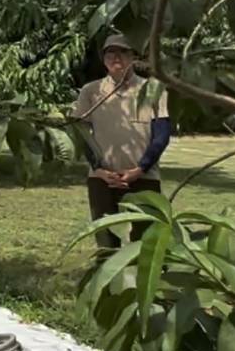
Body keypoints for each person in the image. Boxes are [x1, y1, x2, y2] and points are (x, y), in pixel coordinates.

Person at [71, 33, 172, 248]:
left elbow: (162, 135)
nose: (116, 57)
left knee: (146, 240)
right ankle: (105, 271)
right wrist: (98, 169)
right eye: (110, 53)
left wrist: (140, 169)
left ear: (133, 56)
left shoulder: (153, 89)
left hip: (144, 177)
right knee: (105, 241)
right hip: (102, 178)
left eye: (123, 52)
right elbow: (81, 132)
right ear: (103, 59)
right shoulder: (91, 91)